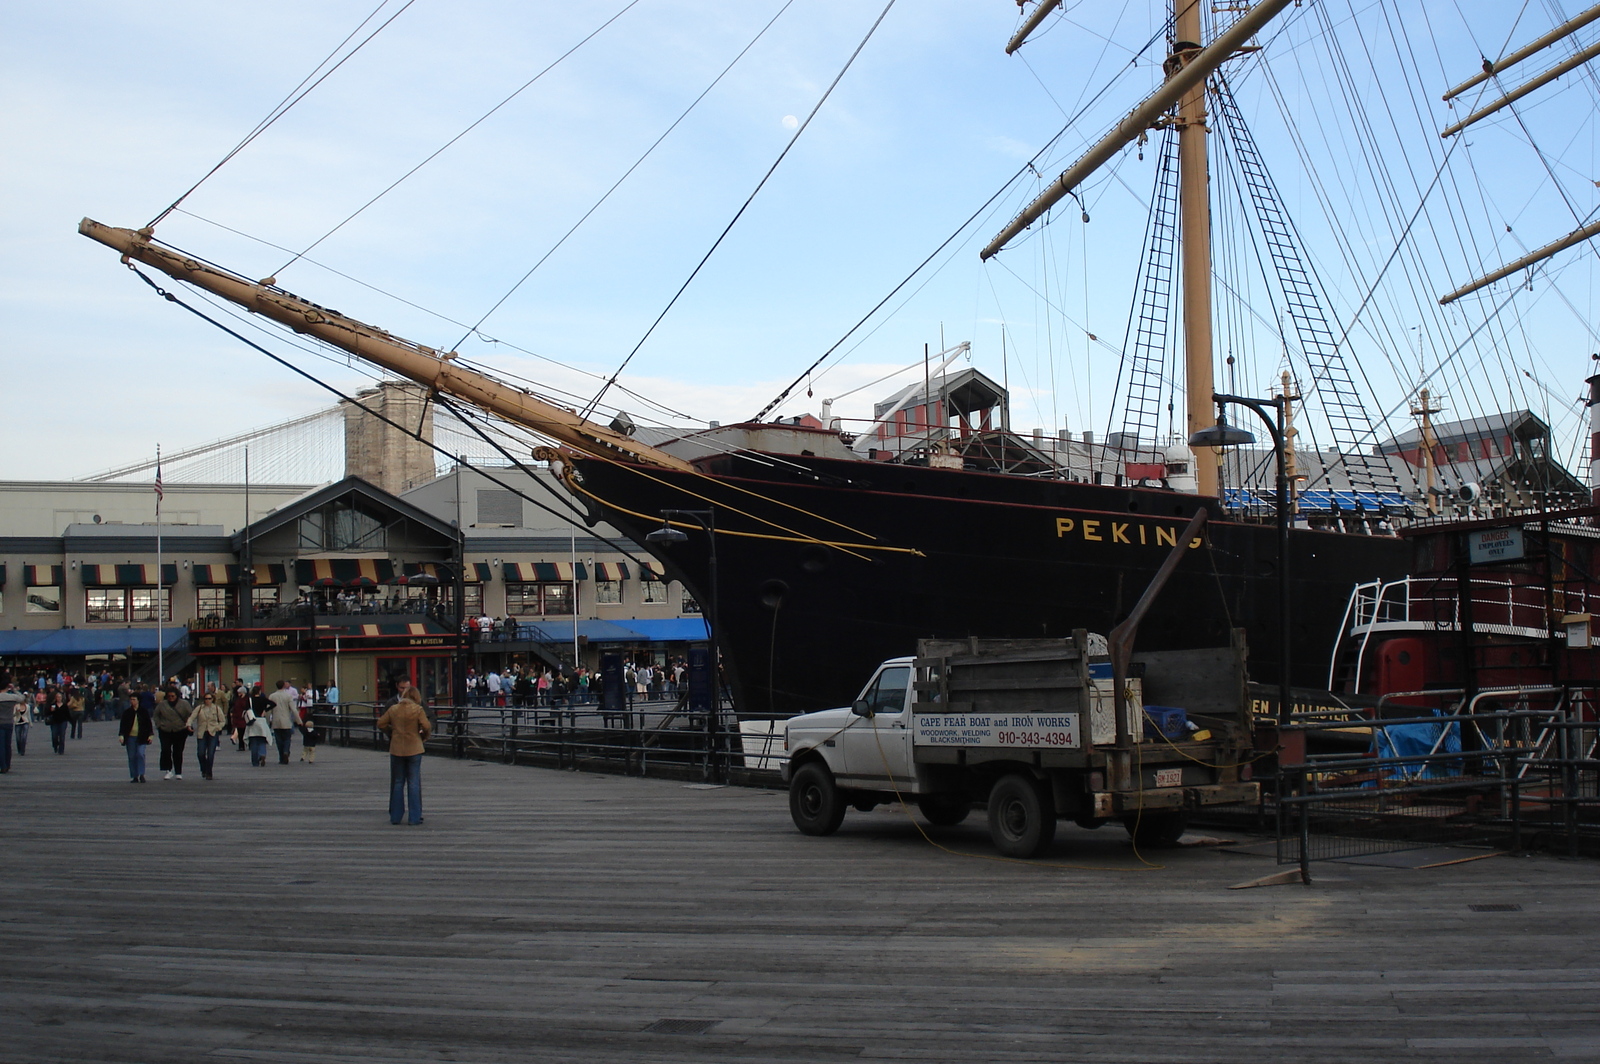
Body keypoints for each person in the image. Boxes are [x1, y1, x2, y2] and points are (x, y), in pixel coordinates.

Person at [377, 685, 431, 825]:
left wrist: (391, 732)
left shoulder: (394, 709)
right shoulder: (418, 709)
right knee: (413, 783)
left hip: (397, 748)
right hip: (414, 747)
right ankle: (414, 817)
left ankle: (395, 816)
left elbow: (381, 723)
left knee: (398, 782)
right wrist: (423, 737)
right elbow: (426, 726)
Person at [187, 689, 228, 780]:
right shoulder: (199, 708)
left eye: (209, 698)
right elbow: (192, 717)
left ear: (212, 699)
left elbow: (222, 721)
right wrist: (189, 725)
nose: (207, 700)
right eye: (206, 699)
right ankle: (203, 768)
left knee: (210, 754)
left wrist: (218, 727)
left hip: (212, 732)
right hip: (202, 732)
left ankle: (209, 772)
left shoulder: (217, 708)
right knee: (200, 753)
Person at [154, 687, 191, 779]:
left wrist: (188, 724)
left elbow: (190, 714)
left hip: (180, 730)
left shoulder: (184, 704)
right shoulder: (162, 704)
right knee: (166, 749)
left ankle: (178, 771)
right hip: (165, 730)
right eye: (169, 696)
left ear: (177, 696)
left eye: (173, 696)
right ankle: (168, 770)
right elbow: (156, 715)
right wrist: (159, 725)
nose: (171, 697)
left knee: (178, 751)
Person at [119, 693, 154, 782]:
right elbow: (123, 725)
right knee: (132, 756)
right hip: (130, 737)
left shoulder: (143, 711)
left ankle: (141, 774)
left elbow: (148, 724)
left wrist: (150, 735)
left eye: (134, 699)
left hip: (142, 736)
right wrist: (121, 735)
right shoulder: (127, 712)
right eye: (131, 699)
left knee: (140, 754)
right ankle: (134, 775)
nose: (132, 701)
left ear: (138, 700)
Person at [266, 680, 298, 764]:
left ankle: (281, 756)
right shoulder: (288, 696)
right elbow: (293, 709)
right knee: (287, 738)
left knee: (278, 740)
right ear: (284, 685)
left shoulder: (272, 696)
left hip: (276, 720)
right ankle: (286, 751)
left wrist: (268, 720)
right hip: (286, 720)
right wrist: (299, 720)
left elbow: (268, 709)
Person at [243, 690, 274, 766]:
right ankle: (262, 754)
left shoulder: (250, 700)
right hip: (262, 720)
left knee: (254, 742)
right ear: (259, 692)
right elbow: (273, 704)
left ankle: (255, 761)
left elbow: (246, 709)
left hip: (252, 721)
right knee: (262, 740)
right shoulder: (263, 699)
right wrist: (265, 710)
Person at [0, 681, 21, 773]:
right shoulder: (12, 697)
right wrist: (14, 689)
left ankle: (3, 765)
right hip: (9, 722)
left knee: (1, 745)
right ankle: (8, 764)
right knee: (8, 744)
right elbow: (22, 698)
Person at [47, 689, 71, 754]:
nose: (59, 698)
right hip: (54, 722)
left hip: (63, 721)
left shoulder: (64, 705)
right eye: (57, 697)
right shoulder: (53, 705)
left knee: (62, 735)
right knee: (54, 735)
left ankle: (61, 750)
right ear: (55, 698)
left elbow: (68, 714)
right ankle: (55, 745)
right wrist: (51, 711)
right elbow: (47, 713)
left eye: (60, 697)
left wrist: (71, 721)